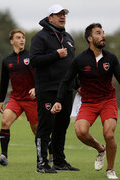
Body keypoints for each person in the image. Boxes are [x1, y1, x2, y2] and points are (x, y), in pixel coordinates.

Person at [51, 23, 118, 179]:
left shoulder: (111, 58)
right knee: (80, 132)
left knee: (109, 134)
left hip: (108, 101)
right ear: (90, 38)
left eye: (103, 32)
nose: (103, 36)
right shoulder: (80, 60)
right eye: (98, 33)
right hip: (88, 102)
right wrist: (58, 100)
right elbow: (66, 81)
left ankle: (110, 169)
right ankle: (100, 149)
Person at [30, 4, 79, 173]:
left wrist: (78, 85)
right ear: (50, 18)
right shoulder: (40, 37)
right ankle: (42, 164)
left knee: (61, 126)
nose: (62, 16)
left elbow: (73, 66)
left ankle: (59, 161)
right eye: (58, 14)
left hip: (66, 90)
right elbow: (34, 60)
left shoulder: (69, 38)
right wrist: (55, 55)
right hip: (47, 89)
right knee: (45, 126)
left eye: (64, 14)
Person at [0, 29, 38, 166]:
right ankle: (3, 156)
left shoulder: (32, 57)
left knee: (37, 130)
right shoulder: (7, 61)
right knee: (5, 122)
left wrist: (37, 88)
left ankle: (49, 154)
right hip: (16, 98)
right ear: (12, 41)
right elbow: (4, 81)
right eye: (18, 37)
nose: (22, 39)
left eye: (23, 37)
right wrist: (1, 100)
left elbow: (41, 75)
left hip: (32, 99)